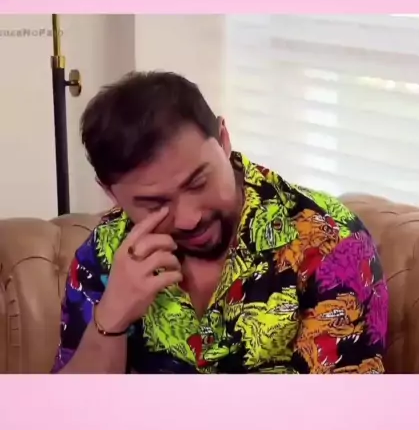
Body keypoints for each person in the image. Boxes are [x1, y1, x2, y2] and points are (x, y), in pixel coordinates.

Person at [53, 71, 388, 374]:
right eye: (155, 204)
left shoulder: (330, 242)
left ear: (224, 139)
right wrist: (111, 318)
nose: (189, 218)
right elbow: (67, 411)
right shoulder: (104, 251)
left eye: (198, 182)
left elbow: (340, 412)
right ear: (111, 193)